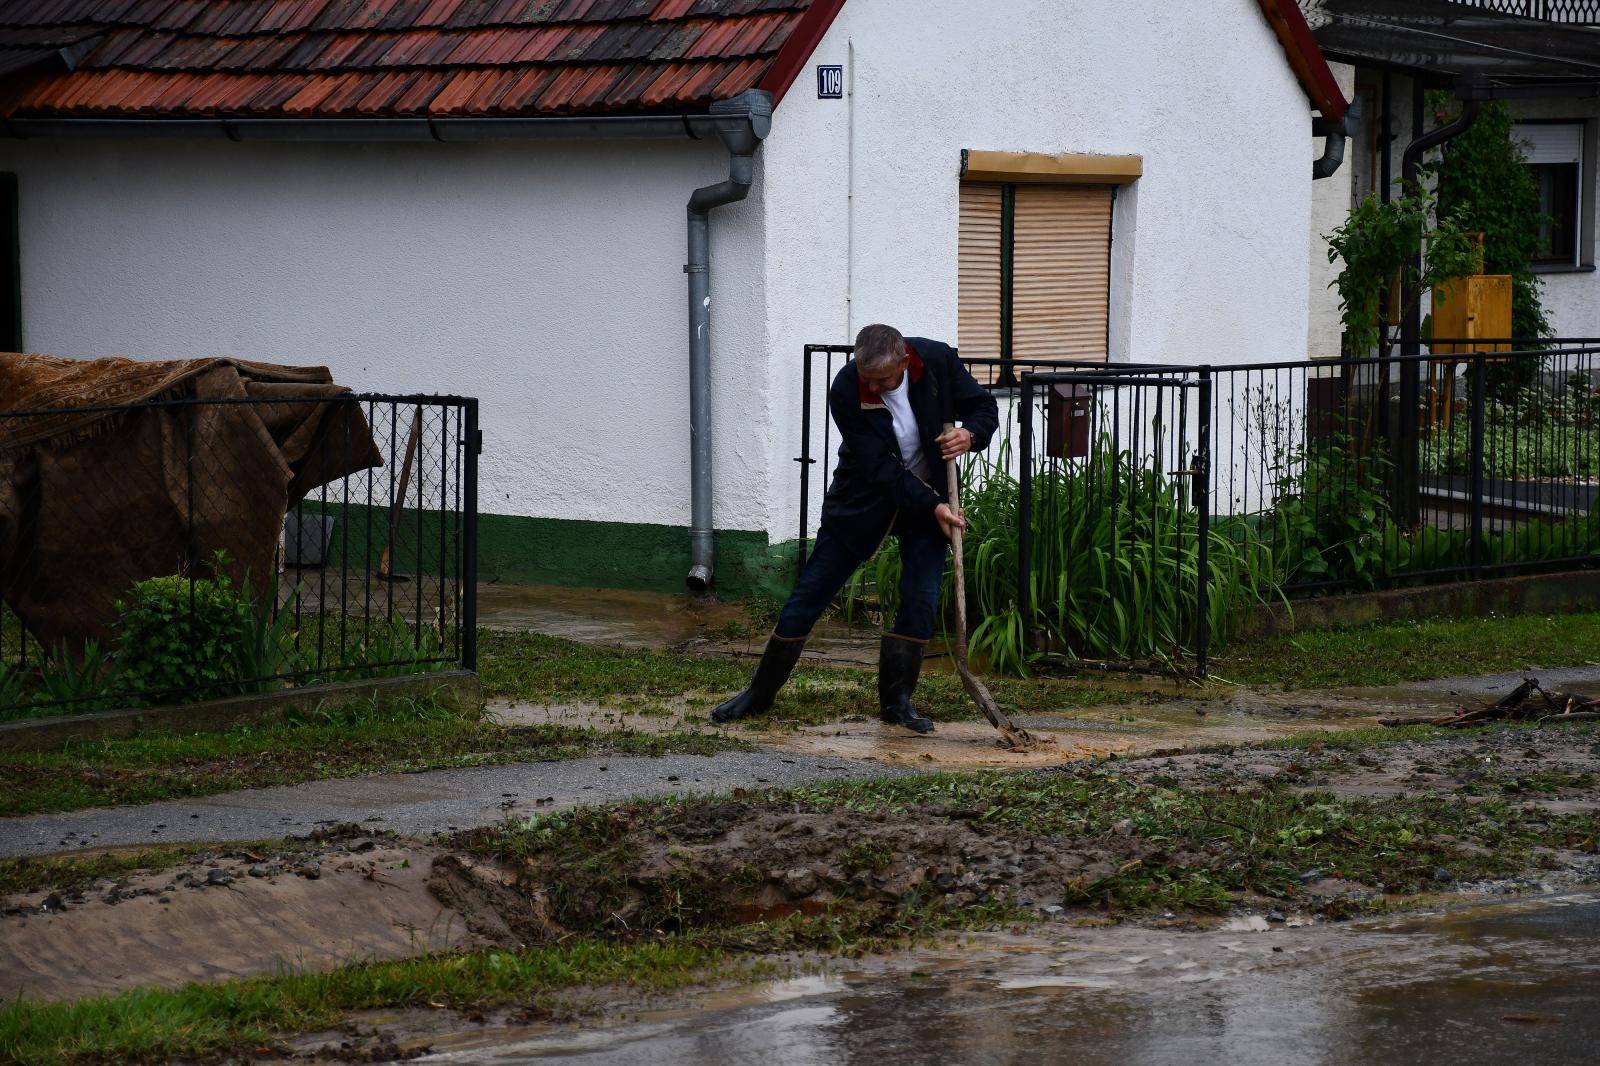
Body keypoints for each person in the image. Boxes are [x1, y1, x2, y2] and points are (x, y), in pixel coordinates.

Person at [712, 323, 999, 734]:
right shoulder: (847, 388)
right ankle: (759, 692)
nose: (877, 387)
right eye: (870, 379)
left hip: (928, 503)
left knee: (919, 598)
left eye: (885, 379)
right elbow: (880, 468)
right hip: (864, 502)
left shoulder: (936, 360)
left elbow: (984, 407)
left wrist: (970, 434)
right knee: (812, 591)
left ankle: (897, 703)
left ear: (904, 360)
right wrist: (932, 504)